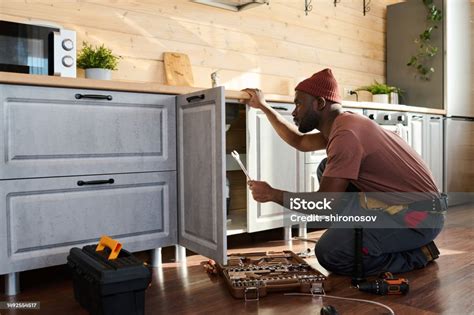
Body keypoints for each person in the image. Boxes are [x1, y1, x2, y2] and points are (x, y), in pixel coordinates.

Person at [241, 68, 446, 276]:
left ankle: (417, 254)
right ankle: (355, 232)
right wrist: (264, 107)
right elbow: (299, 141)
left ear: (320, 103)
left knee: (331, 253)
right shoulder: (343, 125)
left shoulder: (347, 134)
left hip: (419, 218)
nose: (294, 111)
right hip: (402, 209)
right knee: (326, 166)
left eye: (299, 103)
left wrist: (272, 195)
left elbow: (325, 203)